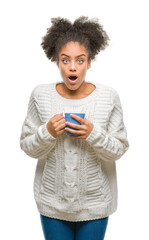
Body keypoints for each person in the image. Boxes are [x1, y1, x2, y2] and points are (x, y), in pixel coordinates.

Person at [19, 16, 129, 240]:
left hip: (95, 204)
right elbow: (28, 147)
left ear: (89, 62)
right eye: (65, 59)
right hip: (52, 204)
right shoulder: (40, 95)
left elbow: (119, 149)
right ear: (57, 62)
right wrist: (47, 132)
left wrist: (93, 134)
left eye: (80, 60)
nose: (72, 66)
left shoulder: (109, 96)